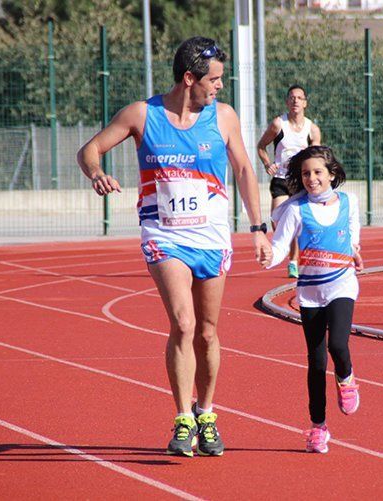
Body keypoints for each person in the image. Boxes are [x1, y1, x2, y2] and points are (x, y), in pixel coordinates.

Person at [77, 36, 272, 458]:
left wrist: (257, 226)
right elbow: (89, 149)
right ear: (189, 79)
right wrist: (96, 173)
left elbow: (242, 167)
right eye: (214, 79)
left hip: (212, 237)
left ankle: (207, 413)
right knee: (183, 324)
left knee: (207, 331)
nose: (220, 86)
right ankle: (183, 418)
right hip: (164, 237)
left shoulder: (223, 118)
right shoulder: (142, 115)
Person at [262, 145, 363, 454]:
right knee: (317, 363)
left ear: (331, 174)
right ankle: (318, 427)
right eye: (305, 173)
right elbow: (280, 247)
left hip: (342, 285)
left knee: (338, 346)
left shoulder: (349, 201)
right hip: (309, 293)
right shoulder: (296, 209)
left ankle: (346, 377)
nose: (311, 178)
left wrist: (355, 248)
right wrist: (268, 255)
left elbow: (352, 230)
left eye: (317, 172)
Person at [257, 84, 321, 279]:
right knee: (278, 220)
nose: (295, 101)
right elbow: (261, 146)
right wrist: (268, 163)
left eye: (299, 98)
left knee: (293, 222)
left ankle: (293, 262)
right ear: (287, 102)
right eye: (292, 98)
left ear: (305, 103)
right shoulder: (279, 124)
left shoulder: (312, 129)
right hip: (280, 179)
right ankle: (288, 249)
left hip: (300, 183)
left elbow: (316, 155)